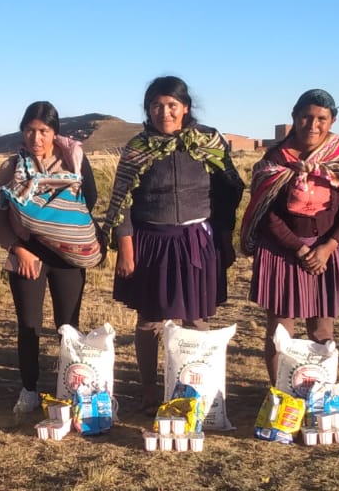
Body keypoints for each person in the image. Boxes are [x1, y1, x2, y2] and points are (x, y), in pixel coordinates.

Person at [99, 75, 244, 408]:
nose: (164, 112)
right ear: (148, 110)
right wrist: (125, 247)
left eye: (171, 105)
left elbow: (228, 191)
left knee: (196, 318)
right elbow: (122, 201)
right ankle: (150, 389)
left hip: (197, 239)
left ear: (185, 107)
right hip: (152, 241)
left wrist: (224, 237)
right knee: (149, 319)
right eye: (156, 105)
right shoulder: (138, 148)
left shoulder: (208, 141)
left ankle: (195, 388)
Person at [239, 89, 339, 382]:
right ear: (294, 117)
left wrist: (327, 247)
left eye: (322, 118)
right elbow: (266, 210)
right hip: (282, 251)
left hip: (327, 252)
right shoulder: (275, 158)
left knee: (322, 329)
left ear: (332, 121)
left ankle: (319, 391)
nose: (313, 124)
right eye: (306, 117)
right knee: (280, 331)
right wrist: (299, 248)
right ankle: (281, 391)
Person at [0, 101, 101, 413]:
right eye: (29, 130)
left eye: (43, 131)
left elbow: (89, 200)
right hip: (27, 254)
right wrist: (19, 249)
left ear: (55, 132)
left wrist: (61, 230)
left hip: (68, 255)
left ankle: (70, 386)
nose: (35, 137)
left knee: (69, 326)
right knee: (29, 325)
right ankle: (29, 389)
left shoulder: (75, 160)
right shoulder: (11, 167)